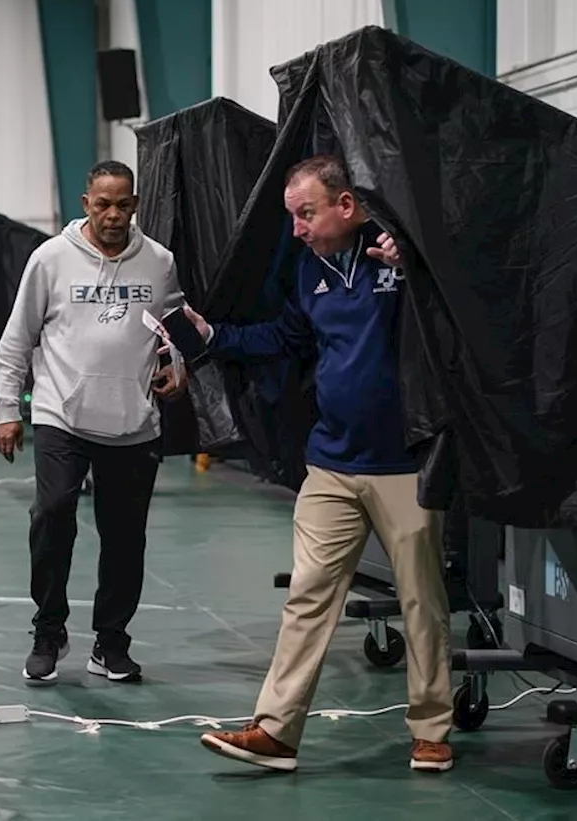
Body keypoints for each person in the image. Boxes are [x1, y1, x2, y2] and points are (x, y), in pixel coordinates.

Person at [189, 155, 455, 773]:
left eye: (306, 214)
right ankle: (277, 732)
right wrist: (213, 335)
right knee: (308, 596)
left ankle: (433, 731)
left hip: (403, 465)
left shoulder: (396, 250)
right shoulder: (310, 272)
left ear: (346, 204)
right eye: (292, 217)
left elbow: (456, 316)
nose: (297, 229)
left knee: (421, 600)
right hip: (331, 462)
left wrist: (413, 269)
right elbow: (284, 340)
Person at [0, 159, 185, 686]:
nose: (113, 214)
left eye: (123, 204)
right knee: (52, 514)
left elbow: (174, 330)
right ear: (86, 204)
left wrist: (176, 366)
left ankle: (111, 641)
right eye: (103, 204)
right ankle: (48, 631)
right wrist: (7, 408)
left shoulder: (159, 262)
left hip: (133, 422)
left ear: (136, 205)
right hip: (61, 413)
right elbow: (17, 339)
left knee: (125, 538)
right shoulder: (51, 259)